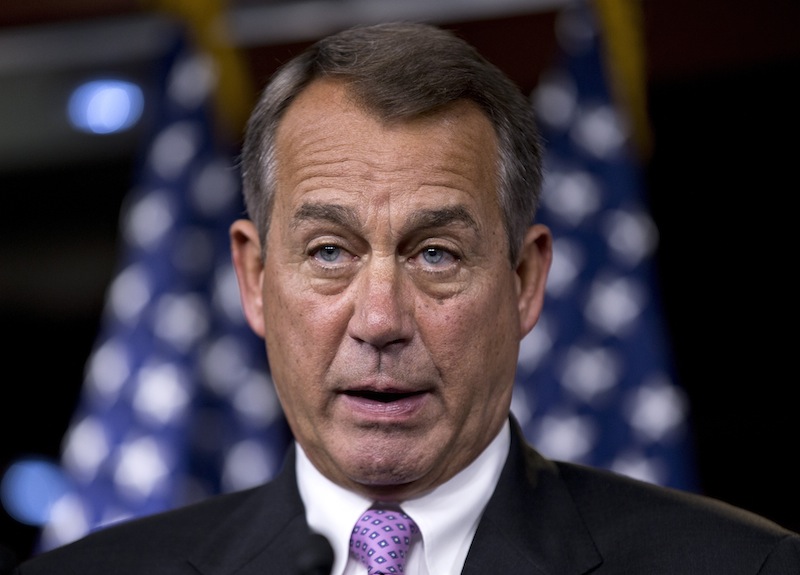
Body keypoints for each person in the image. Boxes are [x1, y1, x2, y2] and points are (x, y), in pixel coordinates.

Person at [12, 20, 800, 575]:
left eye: (435, 253)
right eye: (328, 251)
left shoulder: (743, 565)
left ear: (525, 281)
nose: (381, 320)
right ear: (254, 279)